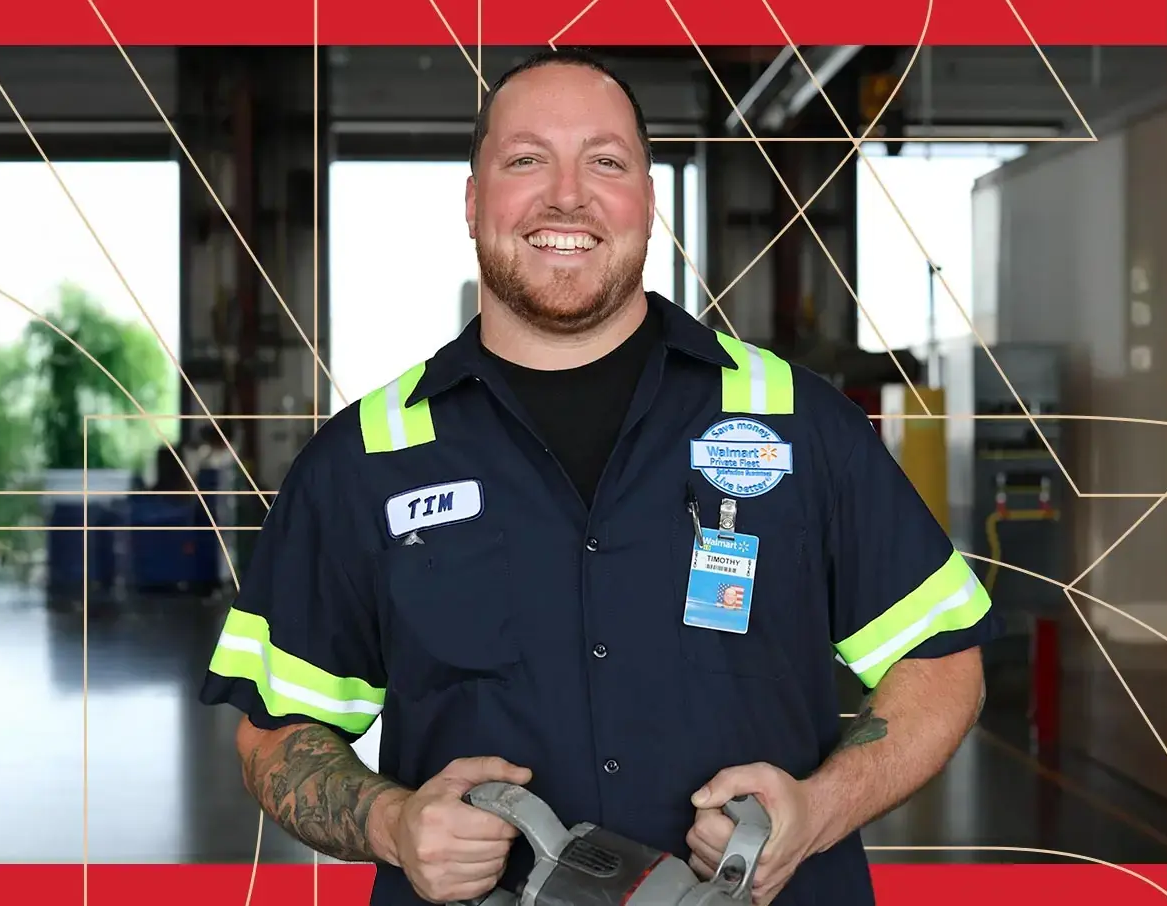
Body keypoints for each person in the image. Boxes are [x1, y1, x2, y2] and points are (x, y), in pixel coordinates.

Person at [199, 48, 997, 906]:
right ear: (473, 202)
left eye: (606, 162)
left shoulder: (799, 424)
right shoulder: (364, 460)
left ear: (649, 203)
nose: (567, 195)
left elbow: (942, 662)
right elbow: (275, 729)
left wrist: (821, 807)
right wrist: (394, 824)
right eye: (526, 159)